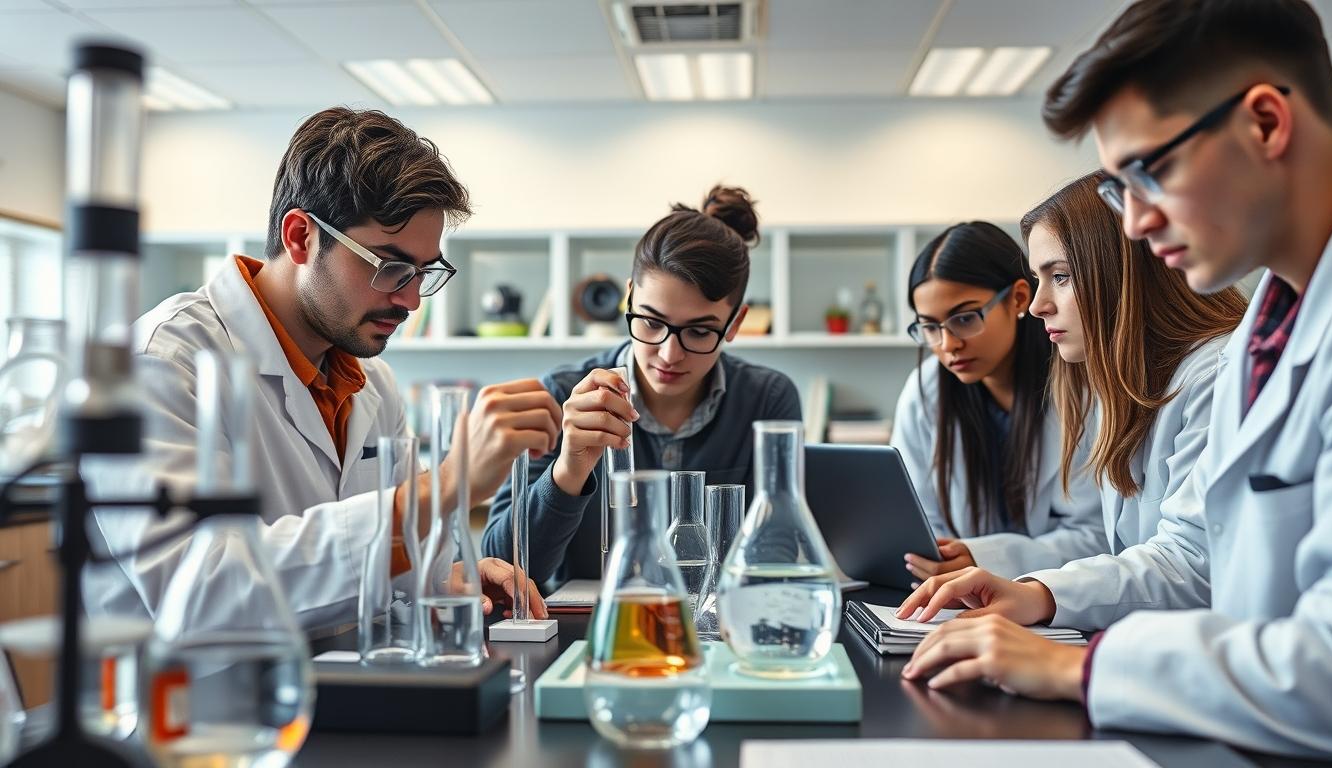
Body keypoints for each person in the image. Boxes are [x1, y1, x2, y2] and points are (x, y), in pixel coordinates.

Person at [897, 0, 1332, 757]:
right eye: (1118, 189)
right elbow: (1195, 558)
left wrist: (1084, 666)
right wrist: (1042, 597)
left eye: (1148, 170)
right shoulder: (1267, 336)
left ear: (1265, 123)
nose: (1133, 223)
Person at [84, 107, 557, 630]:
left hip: (340, 693)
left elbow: (377, 566)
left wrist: (445, 580)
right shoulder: (161, 364)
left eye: (423, 272)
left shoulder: (371, 382)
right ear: (301, 237)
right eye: (390, 267)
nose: (410, 300)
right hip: (194, 705)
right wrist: (448, 483)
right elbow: (198, 590)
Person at [482, 186, 801, 584]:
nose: (669, 355)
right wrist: (569, 469)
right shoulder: (565, 396)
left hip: (718, 636)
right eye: (651, 322)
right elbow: (499, 571)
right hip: (586, 637)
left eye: (700, 332)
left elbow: (777, 557)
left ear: (735, 324)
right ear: (629, 299)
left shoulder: (767, 401)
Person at [893, 221, 1104, 581]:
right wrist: (941, 559)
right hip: (957, 602)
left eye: (964, 319)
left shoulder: (1083, 389)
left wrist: (984, 558)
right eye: (930, 327)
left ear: (1019, 298)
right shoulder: (927, 391)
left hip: (1065, 604)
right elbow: (917, 520)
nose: (947, 345)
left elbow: (1098, 540)